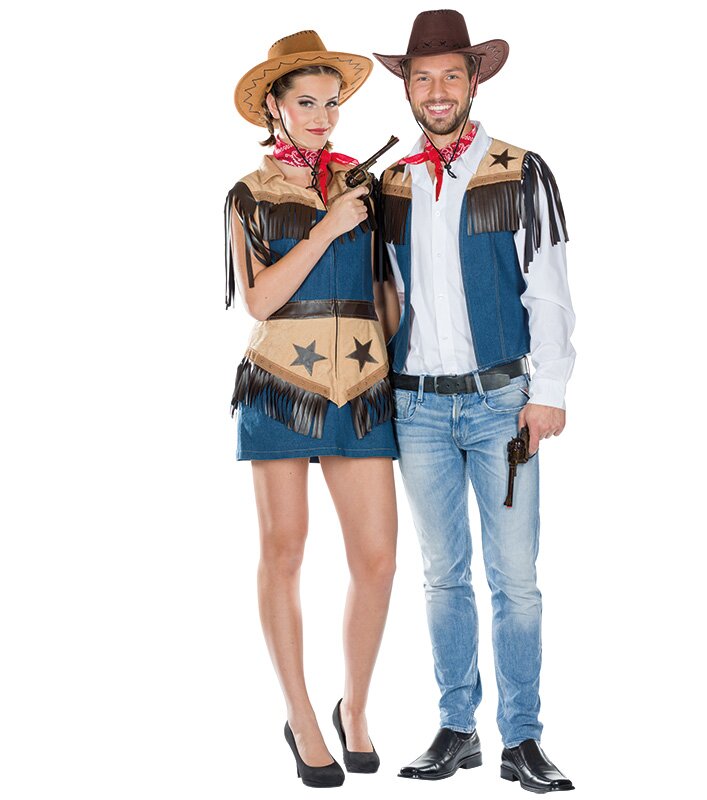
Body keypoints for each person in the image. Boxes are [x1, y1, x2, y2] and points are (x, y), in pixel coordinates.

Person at [373, 10, 576, 793]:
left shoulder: (518, 171)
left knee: (515, 577)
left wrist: (547, 390)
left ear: (473, 82)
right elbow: (384, 292)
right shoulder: (392, 183)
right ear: (407, 89)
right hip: (417, 408)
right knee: (442, 575)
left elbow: (547, 288)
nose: (436, 91)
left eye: (450, 76)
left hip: (500, 405)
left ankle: (521, 738)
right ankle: (457, 727)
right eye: (422, 77)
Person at [225, 31, 398, 788]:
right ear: (275, 106)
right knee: (285, 551)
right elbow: (259, 299)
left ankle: (353, 706)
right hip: (279, 386)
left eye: (332, 102)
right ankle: (300, 716)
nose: (323, 116)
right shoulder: (249, 193)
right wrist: (327, 226)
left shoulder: (369, 187)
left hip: (363, 390)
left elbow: (389, 292)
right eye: (306, 102)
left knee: (378, 560)